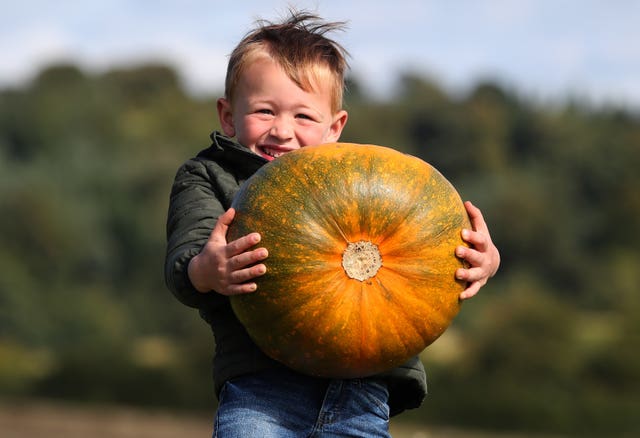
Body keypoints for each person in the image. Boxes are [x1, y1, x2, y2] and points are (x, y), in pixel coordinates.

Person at [165, 9, 500, 438]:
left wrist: (485, 259)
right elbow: (185, 258)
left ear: (334, 126)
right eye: (264, 111)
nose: (282, 131)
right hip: (261, 390)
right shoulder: (209, 174)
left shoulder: (366, 180)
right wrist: (206, 270)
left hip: (363, 395)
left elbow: (436, 247)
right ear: (229, 116)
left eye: (303, 117)